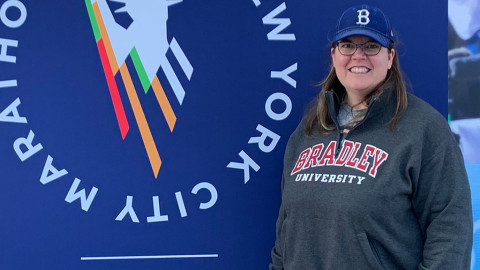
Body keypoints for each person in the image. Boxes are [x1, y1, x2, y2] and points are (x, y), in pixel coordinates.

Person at [269, 4, 473, 270]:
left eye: (371, 46)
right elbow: (286, 230)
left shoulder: (424, 128)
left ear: (390, 57)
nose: (358, 55)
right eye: (347, 45)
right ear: (334, 55)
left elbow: (450, 227)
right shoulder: (309, 129)